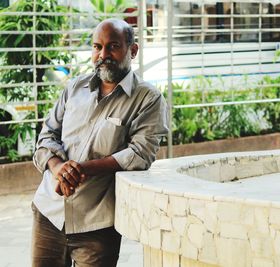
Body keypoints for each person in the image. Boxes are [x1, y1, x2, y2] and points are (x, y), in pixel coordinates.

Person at [31, 18, 169, 267]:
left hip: (96, 222)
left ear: (133, 50)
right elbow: (46, 136)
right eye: (97, 47)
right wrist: (57, 167)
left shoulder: (148, 99)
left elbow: (140, 154)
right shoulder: (74, 88)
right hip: (48, 213)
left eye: (112, 46)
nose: (103, 54)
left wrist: (80, 170)